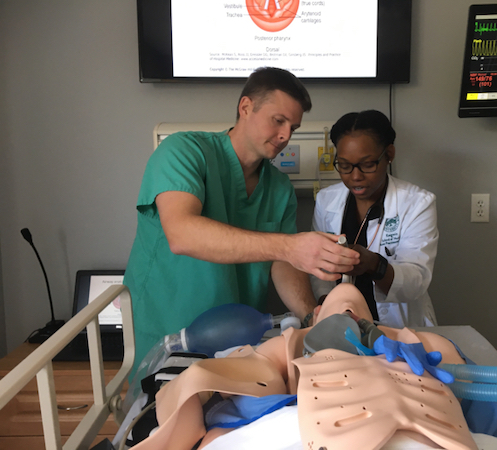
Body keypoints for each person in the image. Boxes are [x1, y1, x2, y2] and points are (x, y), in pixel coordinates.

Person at [124, 67, 360, 377]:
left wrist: (311, 317)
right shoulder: (183, 153)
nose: (286, 136)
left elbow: (282, 263)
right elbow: (182, 234)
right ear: (246, 107)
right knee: (167, 418)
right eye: (278, 121)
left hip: (235, 342)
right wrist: (290, 246)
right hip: (167, 337)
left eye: (294, 127)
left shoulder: (277, 188)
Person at [311, 110, 438, 328]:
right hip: (341, 325)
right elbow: (318, 272)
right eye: (344, 165)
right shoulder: (326, 201)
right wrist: (329, 306)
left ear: (389, 154)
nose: (355, 176)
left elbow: (417, 281)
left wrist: (373, 264)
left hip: (400, 327)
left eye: (367, 164)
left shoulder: (417, 203)